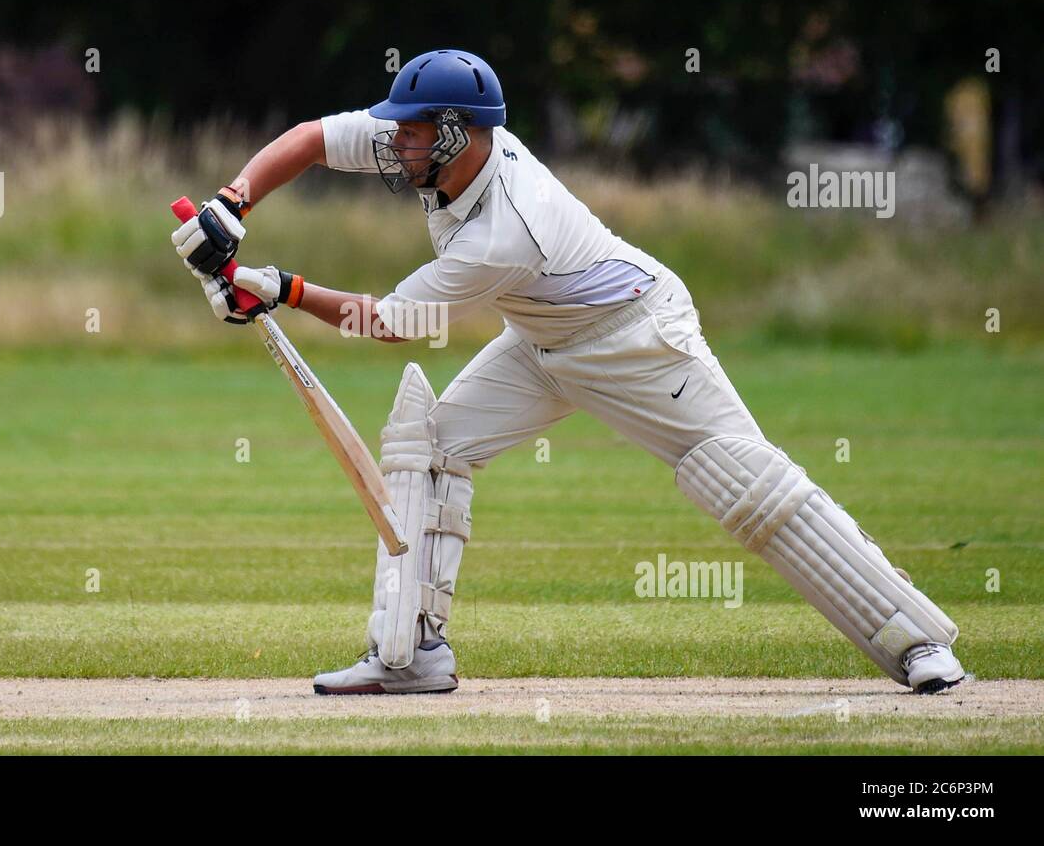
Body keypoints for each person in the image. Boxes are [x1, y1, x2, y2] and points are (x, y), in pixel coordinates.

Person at [172, 49, 965, 695]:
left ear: (457, 133)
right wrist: (231, 202)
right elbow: (311, 137)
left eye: (413, 133)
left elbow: (394, 322)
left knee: (745, 484)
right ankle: (409, 655)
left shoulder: (505, 229)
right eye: (401, 130)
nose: (397, 143)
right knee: (429, 444)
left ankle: (918, 640)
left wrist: (283, 289)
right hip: (541, 341)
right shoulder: (427, 142)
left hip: (637, 338)